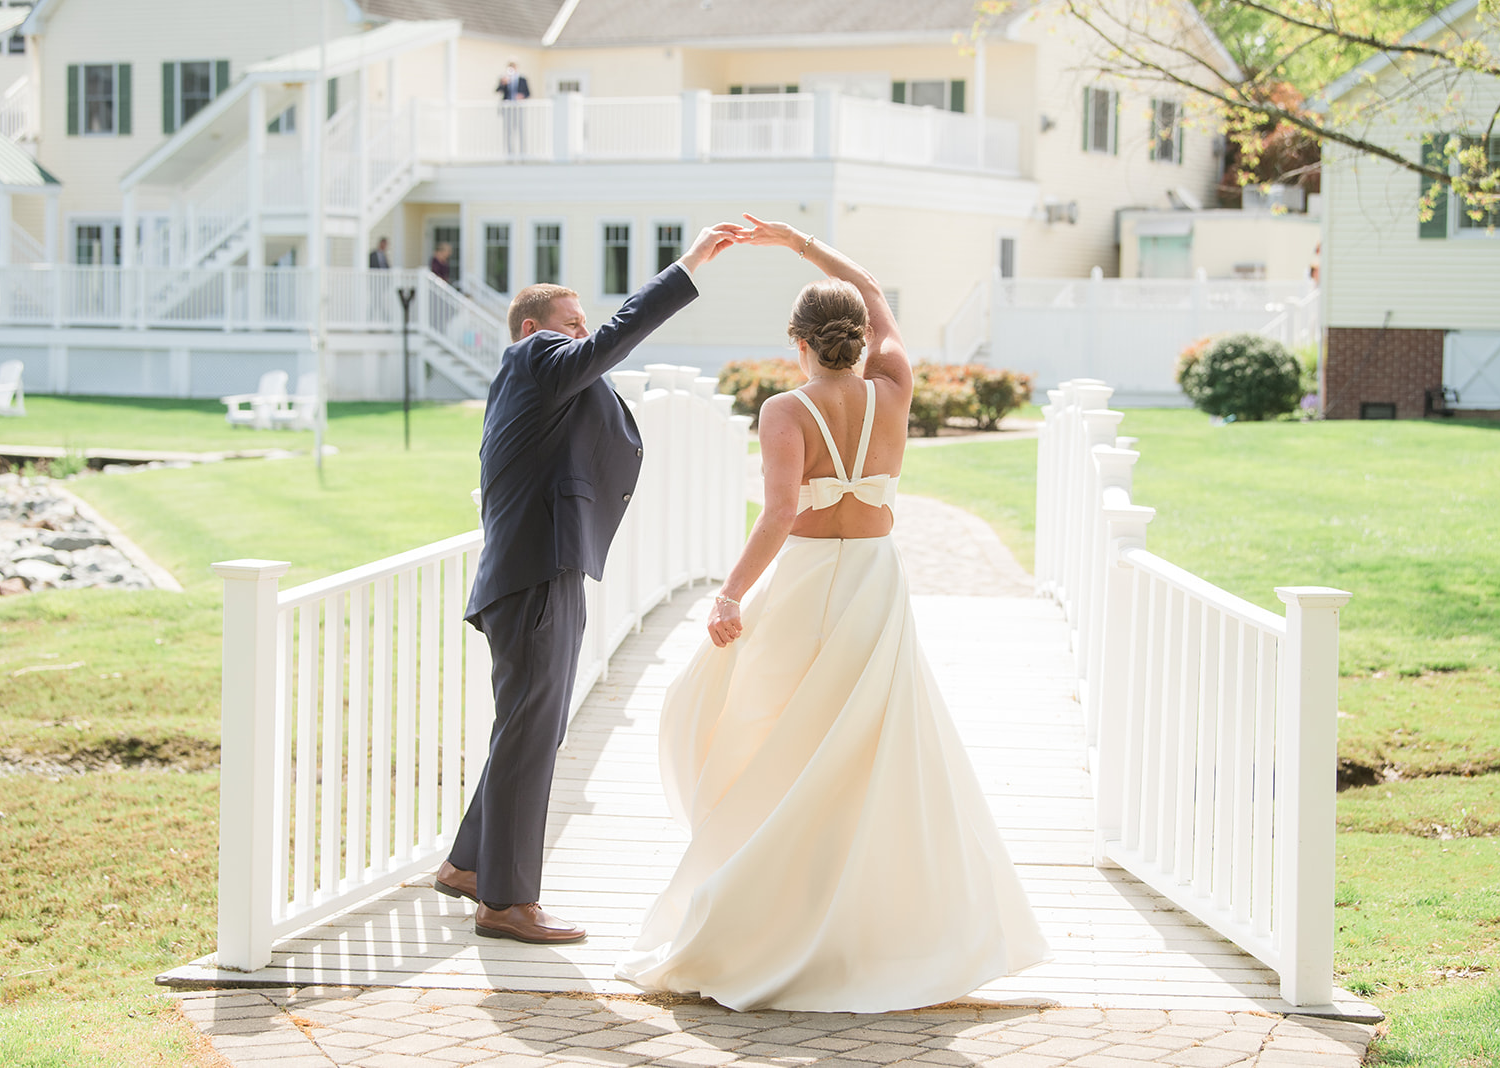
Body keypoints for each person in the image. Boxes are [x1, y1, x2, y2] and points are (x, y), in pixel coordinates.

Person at [615, 215, 1050, 1012]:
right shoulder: (894, 387)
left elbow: (780, 515)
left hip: (813, 583)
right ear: (856, 337)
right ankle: (860, 915)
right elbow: (877, 291)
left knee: (772, 736)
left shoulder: (785, 411)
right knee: (867, 745)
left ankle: (769, 903)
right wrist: (799, 243)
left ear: (799, 342)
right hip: (877, 583)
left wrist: (730, 593)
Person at [435, 224, 738, 944]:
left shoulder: (544, 385)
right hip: (537, 572)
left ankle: (471, 865)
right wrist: (688, 267)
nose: (585, 336)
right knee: (531, 731)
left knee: (531, 728)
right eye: (573, 325)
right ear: (536, 330)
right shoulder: (537, 357)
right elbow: (614, 339)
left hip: (536, 570)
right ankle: (507, 903)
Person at [495, 61, 530, 155]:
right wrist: (503, 83)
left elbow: (528, 93)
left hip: (519, 108)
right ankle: (510, 153)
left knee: (521, 130)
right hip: (508, 109)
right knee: (508, 132)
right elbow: (497, 90)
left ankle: (523, 153)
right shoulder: (504, 79)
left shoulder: (522, 79)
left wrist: (521, 96)